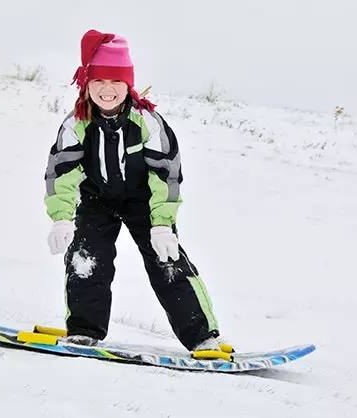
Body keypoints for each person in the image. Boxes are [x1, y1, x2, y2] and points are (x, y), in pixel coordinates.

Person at [43, 29, 222, 352]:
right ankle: (84, 330)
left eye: (115, 82)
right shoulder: (77, 124)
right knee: (86, 259)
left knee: (167, 262)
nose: (107, 90)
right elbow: (62, 171)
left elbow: (166, 174)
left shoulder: (147, 122)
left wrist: (162, 225)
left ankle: (202, 337)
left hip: (145, 202)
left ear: (128, 85)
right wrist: (61, 218)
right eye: (98, 82)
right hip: (98, 200)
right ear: (87, 84)